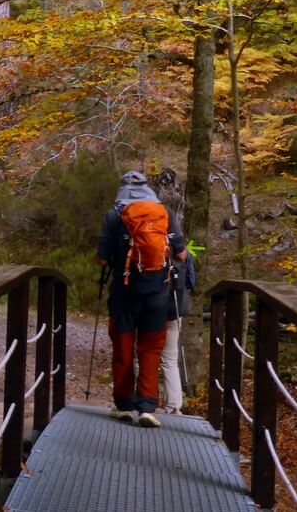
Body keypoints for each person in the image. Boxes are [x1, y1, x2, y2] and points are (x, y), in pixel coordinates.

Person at [96, 171, 187, 428]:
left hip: (124, 294)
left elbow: (102, 259)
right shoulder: (165, 213)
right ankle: (147, 407)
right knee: (150, 349)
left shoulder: (114, 216)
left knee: (123, 349)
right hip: (158, 294)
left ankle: (124, 405)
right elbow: (180, 255)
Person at [159, 253, 195, 414]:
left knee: (143, 355)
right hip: (176, 307)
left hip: (151, 308)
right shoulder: (181, 249)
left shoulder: (144, 242)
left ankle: (144, 400)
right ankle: (173, 405)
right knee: (170, 359)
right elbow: (191, 281)